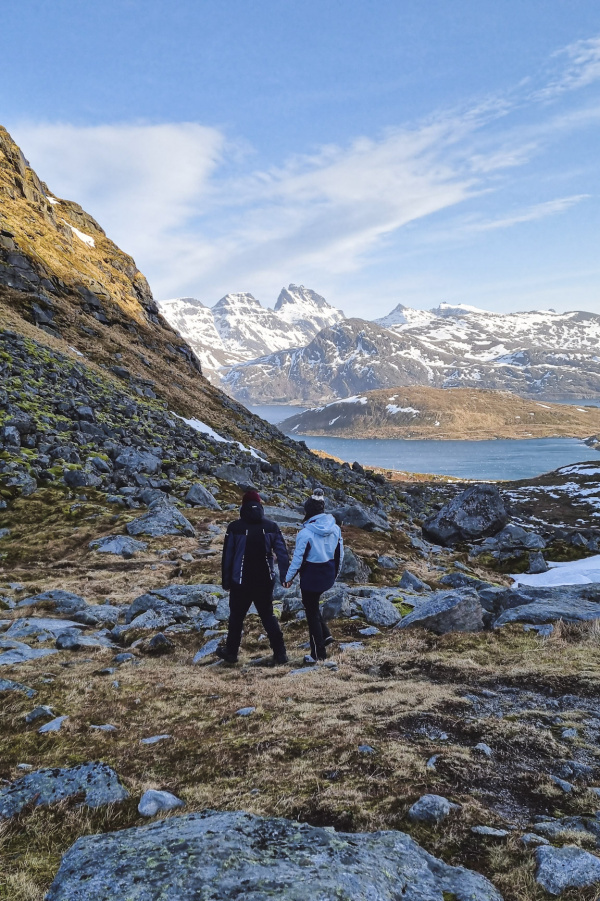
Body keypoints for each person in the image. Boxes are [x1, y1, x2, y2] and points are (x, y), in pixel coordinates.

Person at [218, 489, 289, 665]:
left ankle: (232, 653)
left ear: (243, 506)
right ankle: (281, 654)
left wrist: (226, 581)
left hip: (240, 581)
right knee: (268, 616)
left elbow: (228, 556)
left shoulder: (234, 528)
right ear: (260, 505)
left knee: (236, 617)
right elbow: (282, 553)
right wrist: (285, 577)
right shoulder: (271, 527)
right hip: (265, 580)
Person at [283, 488, 344, 663]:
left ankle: (318, 654)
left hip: (310, 577)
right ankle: (325, 636)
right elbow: (340, 554)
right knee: (313, 605)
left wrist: (288, 579)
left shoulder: (305, 533)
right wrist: (334, 574)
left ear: (307, 512)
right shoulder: (335, 529)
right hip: (327, 574)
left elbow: (297, 560)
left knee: (311, 613)